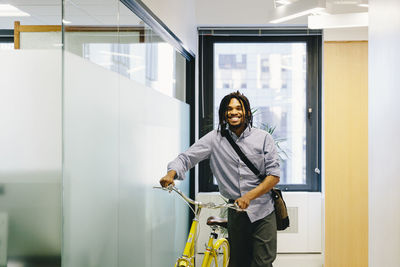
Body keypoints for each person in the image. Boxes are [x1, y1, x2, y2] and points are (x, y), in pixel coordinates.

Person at [160, 91, 280, 267]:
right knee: (238, 262)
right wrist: (171, 174)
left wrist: (249, 196)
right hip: (236, 211)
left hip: (263, 211)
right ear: (224, 113)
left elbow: (273, 176)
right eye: (229, 109)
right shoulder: (214, 139)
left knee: (262, 263)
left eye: (238, 108)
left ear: (246, 112)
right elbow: (187, 158)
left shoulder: (263, 138)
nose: (234, 112)